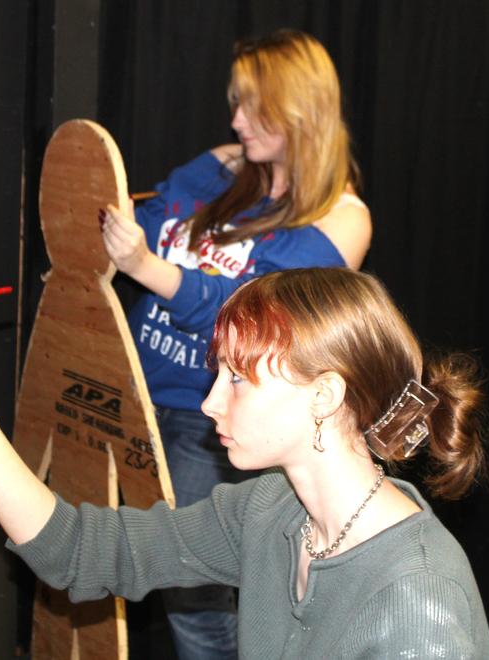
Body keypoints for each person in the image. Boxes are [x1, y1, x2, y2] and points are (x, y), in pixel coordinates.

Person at [0, 267, 489, 659]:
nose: (210, 401)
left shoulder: (419, 599)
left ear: (325, 395)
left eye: (237, 379)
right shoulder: (272, 509)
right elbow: (79, 549)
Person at [99, 29, 371, 657]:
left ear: (299, 111)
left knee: (195, 600)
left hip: (213, 424)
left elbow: (258, 321)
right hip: (137, 396)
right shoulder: (221, 167)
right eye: (236, 102)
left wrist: (146, 268)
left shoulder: (342, 219)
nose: (237, 119)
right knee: (118, 557)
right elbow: (146, 219)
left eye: (253, 106)